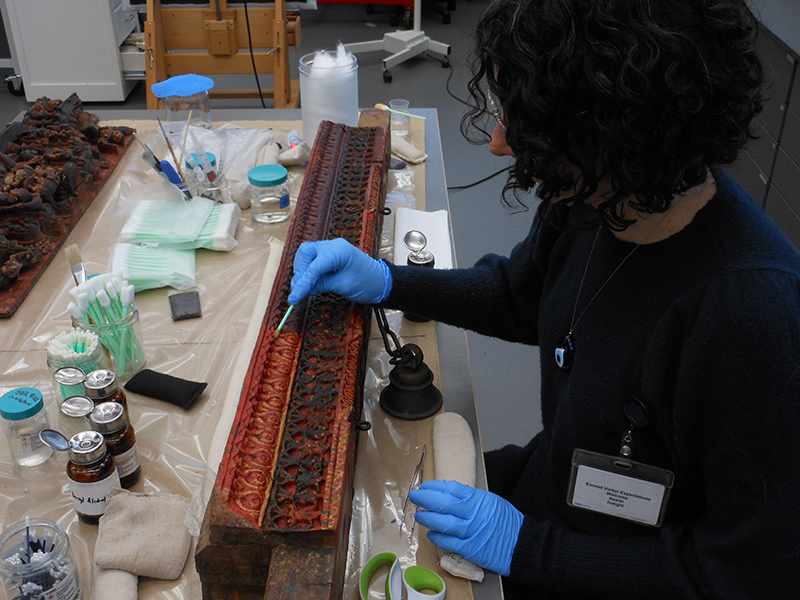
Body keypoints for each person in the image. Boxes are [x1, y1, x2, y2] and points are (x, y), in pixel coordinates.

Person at [288, 0, 800, 597]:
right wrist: (388, 280)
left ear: (611, 134)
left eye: (525, 125)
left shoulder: (752, 319)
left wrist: (529, 548)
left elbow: (747, 573)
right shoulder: (599, 201)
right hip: (556, 491)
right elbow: (520, 295)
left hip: (618, 569)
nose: (500, 144)